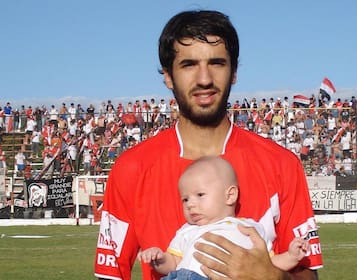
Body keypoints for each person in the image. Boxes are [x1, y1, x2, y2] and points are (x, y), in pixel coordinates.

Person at [94, 10, 322, 280]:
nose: (204, 79)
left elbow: (307, 275)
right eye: (189, 64)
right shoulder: (130, 168)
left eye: (216, 63)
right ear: (168, 76)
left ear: (234, 72)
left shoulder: (282, 164)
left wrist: (271, 276)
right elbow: (111, 274)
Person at [139, 156, 309, 279]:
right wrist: (158, 259)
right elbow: (174, 262)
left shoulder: (249, 229)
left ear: (230, 195)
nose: (190, 204)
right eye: (185, 199)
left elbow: (268, 264)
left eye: (200, 195)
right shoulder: (187, 230)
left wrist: (292, 256)